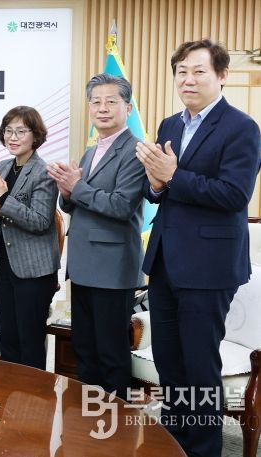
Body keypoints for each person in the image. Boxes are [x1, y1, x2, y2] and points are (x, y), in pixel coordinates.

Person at [135, 39, 260, 456]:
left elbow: (234, 195)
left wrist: (173, 176)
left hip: (209, 266)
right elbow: (156, 191)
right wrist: (156, 184)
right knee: (168, 362)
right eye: (181, 72)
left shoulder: (241, 127)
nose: (188, 80)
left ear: (221, 76)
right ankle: (173, 443)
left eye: (199, 71)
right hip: (165, 261)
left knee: (200, 364)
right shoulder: (169, 125)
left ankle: (204, 449)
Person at [47, 74, 146, 397]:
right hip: (84, 265)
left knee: (110, 352)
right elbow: (77, 203)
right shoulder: (92, 150)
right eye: (96, 102)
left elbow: (121, 206)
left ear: (127, 108)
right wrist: (66, 192)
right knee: (85, 348)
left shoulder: (136, 150)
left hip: (112, 268)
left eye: (111, 101)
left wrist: (76, 186)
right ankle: (87, 417)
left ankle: (115, 422)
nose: (102, 108)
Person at [0, 106, 60, 370]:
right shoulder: (3, 166)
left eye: (20, 131)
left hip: (34, 269)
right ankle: (9, 393)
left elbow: (40, 221)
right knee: (7, 337)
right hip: (5, 262)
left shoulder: (44, 171)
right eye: (8, 131)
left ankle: (34, 394)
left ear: (35, 135)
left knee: (30, 341)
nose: (12, 137)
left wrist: (4, 198)